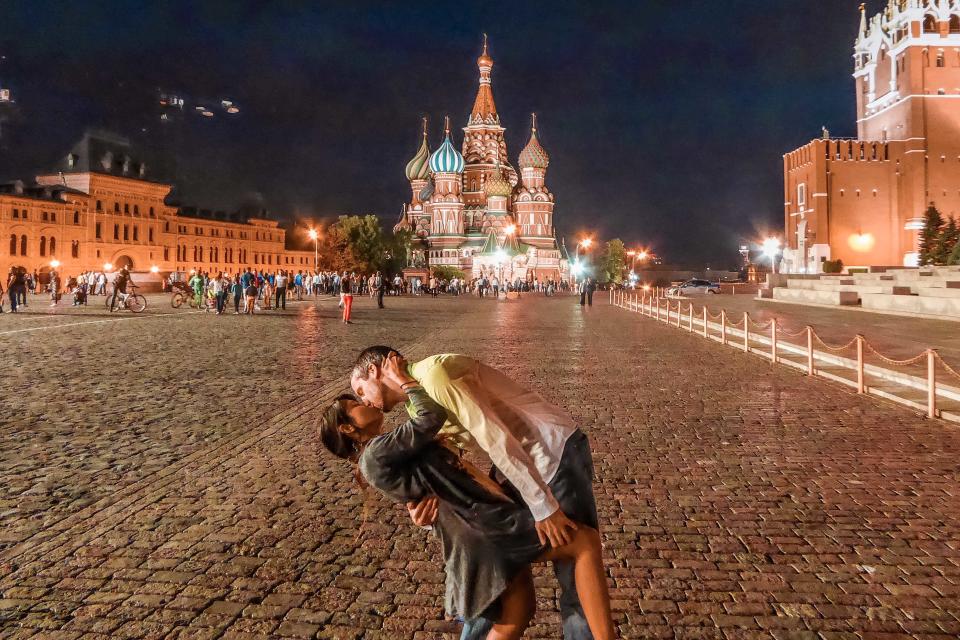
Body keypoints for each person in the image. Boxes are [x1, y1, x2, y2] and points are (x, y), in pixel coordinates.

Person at [320, 354, 616, 640]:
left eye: (360, 392)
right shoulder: (381, 447)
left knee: (518, 612)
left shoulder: (432, 381)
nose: (364, 400)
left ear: (374, 371)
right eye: (356, 400)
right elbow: (456, 442)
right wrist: (542, 508)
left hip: (516, 482)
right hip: (480, 520)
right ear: (348, 428)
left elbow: (454, 458)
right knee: (581, 546)